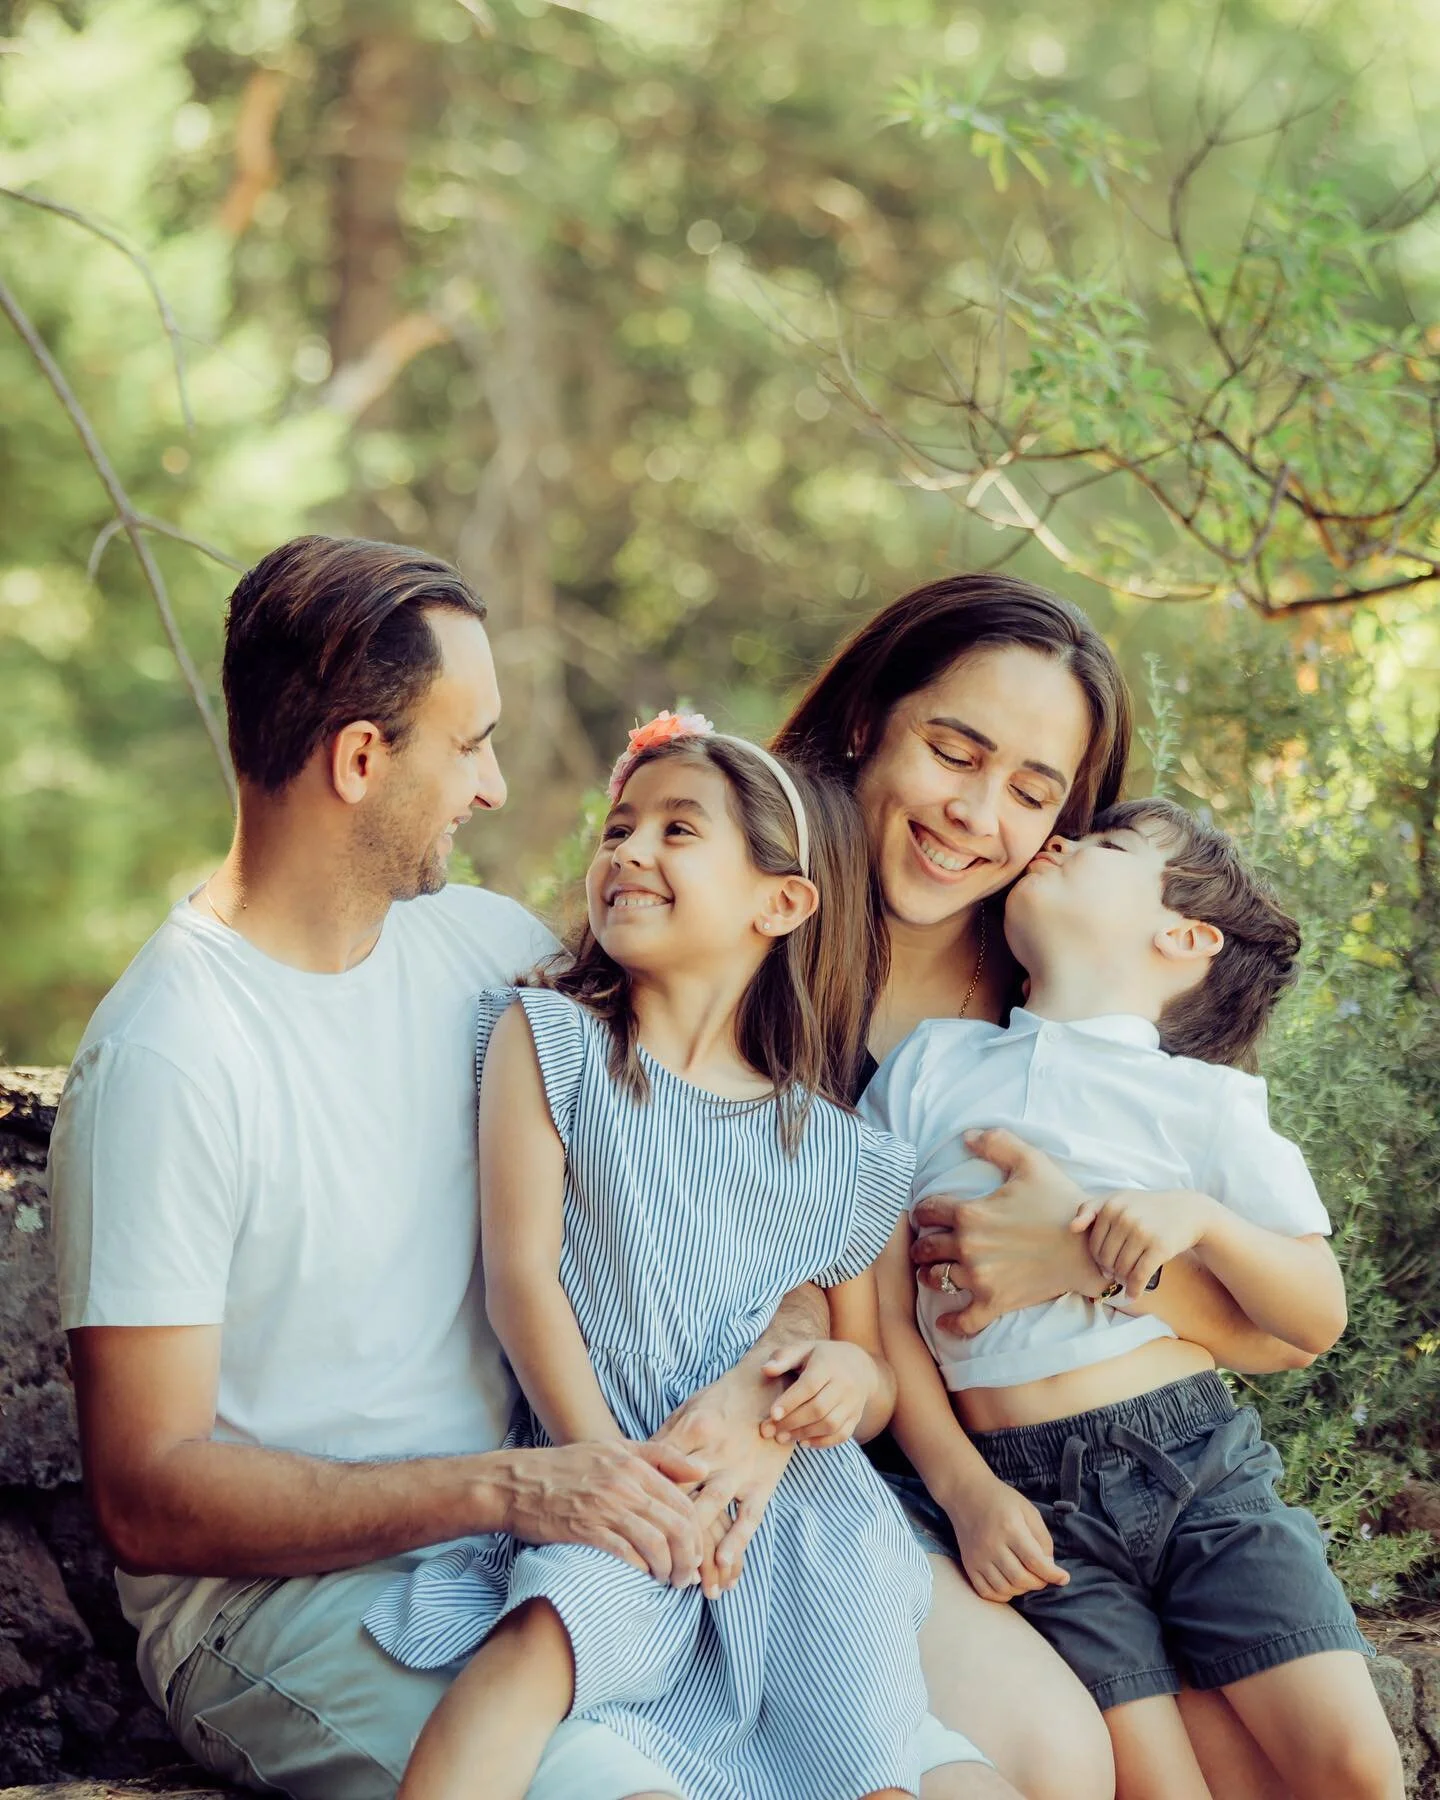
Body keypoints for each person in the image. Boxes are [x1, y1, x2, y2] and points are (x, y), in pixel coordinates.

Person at [47, 537, 833, 1800]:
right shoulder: (172, 1055)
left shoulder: (490, 952)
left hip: (553, 1551)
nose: (493, 784)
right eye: (468, 745)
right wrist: (516, 1490)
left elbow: (727, 1176)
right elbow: (149, 1495)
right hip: (282, 1614)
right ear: (361, 760)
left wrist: (785, 1350)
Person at [362, 710, 992, 1800]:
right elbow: (524, 1285)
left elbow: (872, 1372)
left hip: (794, 1522)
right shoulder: (553, 1043)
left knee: (868, 1766)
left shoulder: (841, 1151)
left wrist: (848, 1377)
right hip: (608, 1463)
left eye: (677, 830)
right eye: (619, 829)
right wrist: (609, 1474)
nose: (628, 853)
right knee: (535, 1650)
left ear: (780, 903)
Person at [772, 574, 1324, 1800]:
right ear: (867, 718)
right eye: (953, 750)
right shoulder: (754, 944)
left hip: (1102, 1476)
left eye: (1034, 791)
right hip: (869, 1472)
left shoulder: (1039, 1008)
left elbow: (1279, 1336)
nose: (980, 814)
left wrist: (1091, 1260)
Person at [862, 797, 1403, 1800]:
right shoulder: (927, 1067)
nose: (1059, 840)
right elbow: (885, 1316)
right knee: (1159, 1785)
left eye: (1106, 845)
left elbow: (1315, 1316)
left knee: (1356, 1769)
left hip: (1197, 1465)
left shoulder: (1204, 1103)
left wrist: (1198, 1216)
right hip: (1026, 1501)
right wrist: (963, 1490)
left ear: (1185, 936)